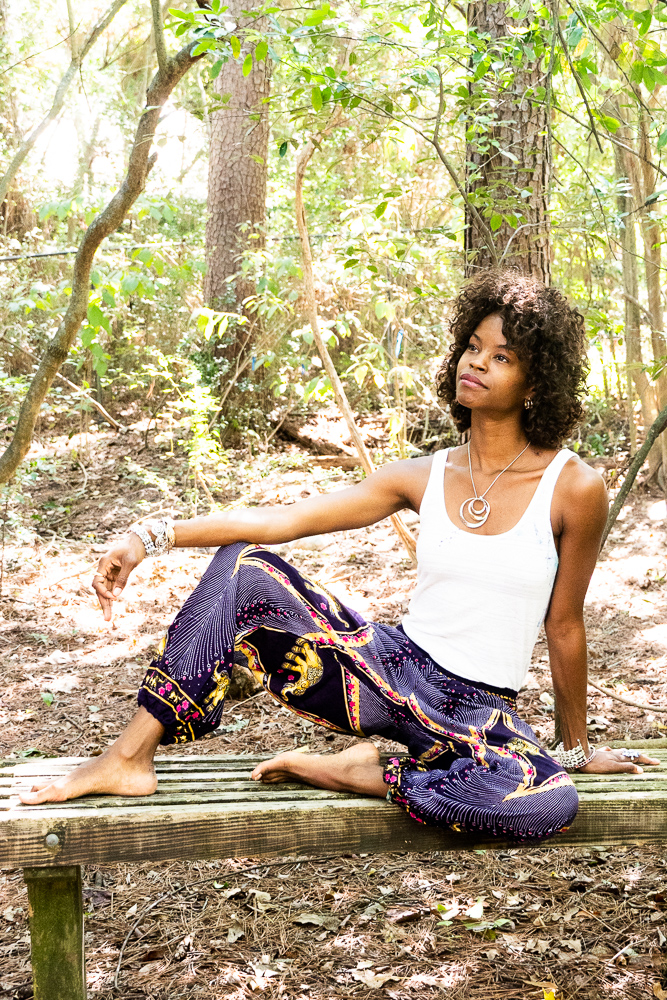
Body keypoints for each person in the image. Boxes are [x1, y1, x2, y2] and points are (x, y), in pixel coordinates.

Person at [20, 270, 659, 841]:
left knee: (547, 802)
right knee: (247, 568)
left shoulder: (573, 487)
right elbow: (284, 520)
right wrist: (151, 535)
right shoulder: (421, 475)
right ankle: (129, 756)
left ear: (535, 382)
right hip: (388, 671)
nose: (477, 363)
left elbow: (564, 625)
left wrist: (575, 750)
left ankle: (368, 769)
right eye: (472, 347)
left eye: (502, 357)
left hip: (477, 713)